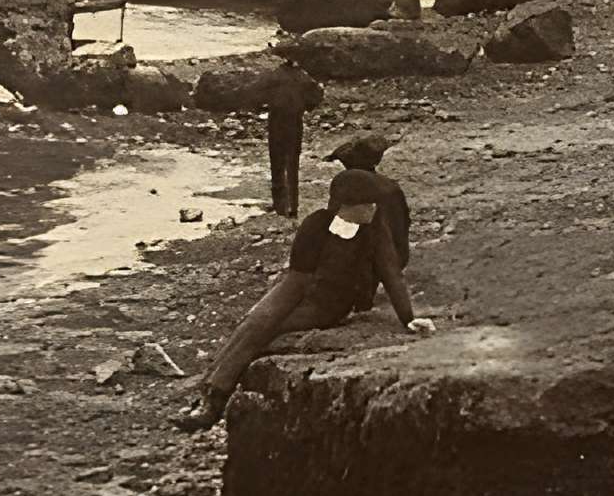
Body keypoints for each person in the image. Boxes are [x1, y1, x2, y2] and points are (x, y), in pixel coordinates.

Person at [174, 170, 432, 429]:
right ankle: (208, 391)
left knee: (262, 330)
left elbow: (391, 274)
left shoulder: (374, 230)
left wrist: (409, 317)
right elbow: (295, 282)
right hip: (300, 292)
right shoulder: (316, 226)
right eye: (366, 204)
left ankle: (214, 400)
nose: (373, 209)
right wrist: (267, 313)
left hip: (329, 305)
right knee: (253, 324)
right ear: (347, 206)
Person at [324, 131, 413, 298]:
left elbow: (335, 227)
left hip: (373, 256)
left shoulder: (348, 185)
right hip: (395, 254)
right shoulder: (390, 187)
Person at [257, 63, 324, 216]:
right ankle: (292, 207)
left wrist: (263, 106)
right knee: (292, 163)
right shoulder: (303, 76)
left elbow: (259, 95)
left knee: (277, 162)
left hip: (277, 121)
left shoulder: (274, 74)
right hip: (294, 121)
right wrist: (305, 107)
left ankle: (280, 206)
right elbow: (316, 96)